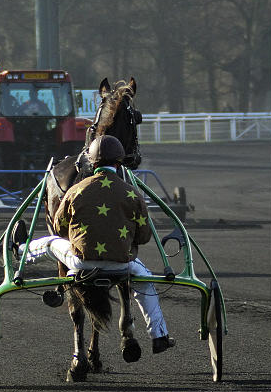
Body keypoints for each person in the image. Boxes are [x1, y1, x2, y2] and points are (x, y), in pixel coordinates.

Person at [13, 135, 175, 353]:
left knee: (51, 243)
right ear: (119, 163)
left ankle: (22, 249)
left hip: (80, 263)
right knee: (146, 283)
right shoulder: (133, 193)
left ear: (91, 163)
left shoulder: (74, 191)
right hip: (122, 264)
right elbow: (144, 236)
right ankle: (159, 335)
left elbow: (60, 230)